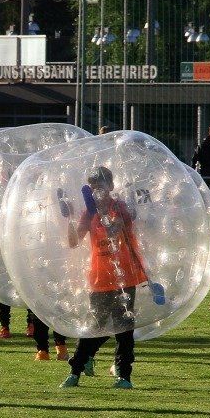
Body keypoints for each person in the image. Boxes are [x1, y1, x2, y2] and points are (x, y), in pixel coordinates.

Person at [60, 167, 146, 390]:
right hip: (100, 278)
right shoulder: (88, 213)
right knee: (94, 326)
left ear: (111, 186)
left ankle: (124, 376)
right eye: (93, 187)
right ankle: (75, 372)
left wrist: (100, 213)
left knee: (124, 329)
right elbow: (73, 242)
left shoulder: (119, 207)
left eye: (100, 185)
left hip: (124, 277)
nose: (97, 190)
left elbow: (114, 229)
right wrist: (70, 218)